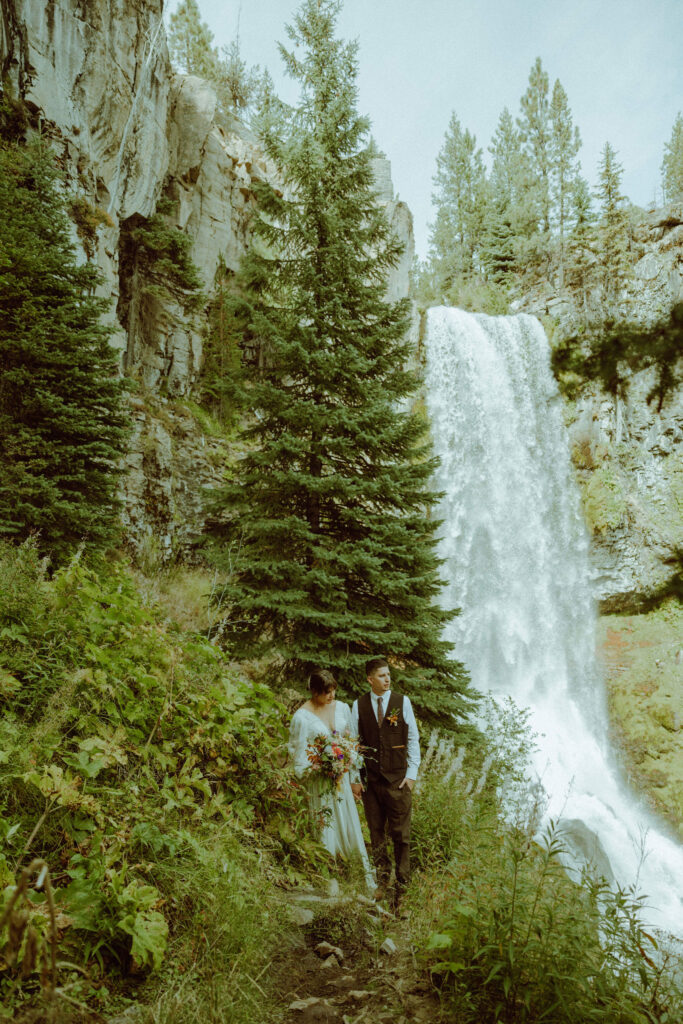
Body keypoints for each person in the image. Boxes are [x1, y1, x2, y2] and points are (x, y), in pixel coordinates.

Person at [288, 669, 375, 890]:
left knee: (347, 825)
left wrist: (350, 769)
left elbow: (352, 742)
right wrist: (314, 767)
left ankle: (357, 876)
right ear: (314, 692)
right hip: (319, 782)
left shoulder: (342, 708)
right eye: (326, 692)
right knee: (326, 827)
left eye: (333, 690)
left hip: (342, 779)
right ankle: (328, 879)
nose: (331, 696)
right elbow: (297, 753)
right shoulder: (302, 717)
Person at [351, 657, 420, 909]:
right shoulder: (358, 705)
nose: (388, 679)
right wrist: (355, 779)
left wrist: (411, 775)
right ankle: (382, 881)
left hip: (398, 781)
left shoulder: (402, 702)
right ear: (370, 679)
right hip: (372, 783)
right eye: (381, 675)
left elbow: (412, 738)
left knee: (402, 836)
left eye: (389, 674)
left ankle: (402, 889)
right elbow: (353, 744)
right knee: (377, 834)